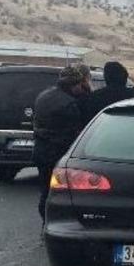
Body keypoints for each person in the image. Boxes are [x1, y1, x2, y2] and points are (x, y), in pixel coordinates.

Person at [33, 66, 88, 220]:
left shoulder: (43, 96)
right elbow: (77, 132)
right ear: (74, 85)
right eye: (79, 85)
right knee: (63, 194)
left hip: (41, 151)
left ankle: (46, 223)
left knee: (45, 192)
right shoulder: (70, 103)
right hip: (59, 154)